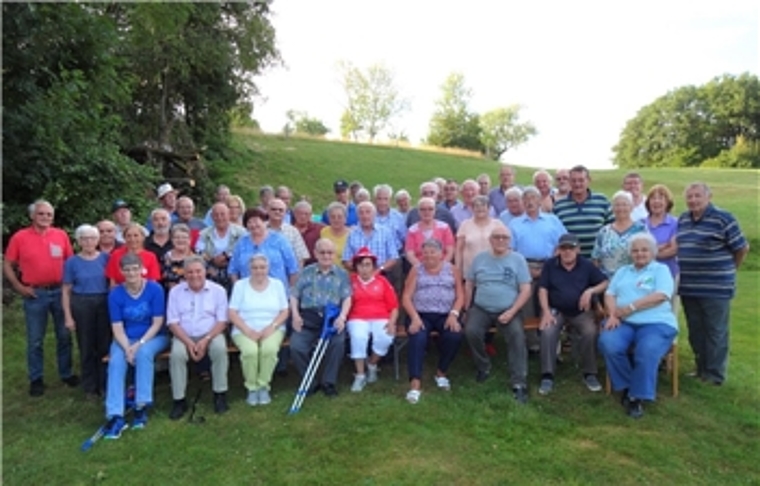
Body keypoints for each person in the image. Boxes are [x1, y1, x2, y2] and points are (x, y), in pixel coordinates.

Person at [598, 233, 679, 419]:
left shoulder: (660, 270)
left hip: (656, 323)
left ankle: (636, 397)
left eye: (644, 250)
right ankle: (628, 386)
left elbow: (661, 295)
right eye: (635, 250)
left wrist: (630, 308)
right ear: (630, 254)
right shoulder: (623, 271)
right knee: (608, 343)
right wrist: (611, 315)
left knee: (647, 350)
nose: (639, 254)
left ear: (652, 252)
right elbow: (610, 294)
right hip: (622, 322)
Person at [676, 182, 749, 385]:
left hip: (716, 287)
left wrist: (730, 269)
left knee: (715, 331)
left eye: (697, 196)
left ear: (709, 197)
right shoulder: (683, 219)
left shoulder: (723, 218)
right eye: (689, 197)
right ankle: (701, 369)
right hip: (689, 287)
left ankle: (715, 375)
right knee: (696, 331)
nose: (693, 200)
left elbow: (742, 248)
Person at [4, 200, 78, 396]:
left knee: (64, 335)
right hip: (35, 293)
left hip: (59, 291)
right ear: (32, 216)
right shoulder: (20, 237)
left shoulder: (61, 235)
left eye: (49, 214)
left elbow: (70, 262)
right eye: (41, 214)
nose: (45, 217)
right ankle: (36, 378)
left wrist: (70, 288)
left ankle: (66, 373)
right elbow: (7, 263)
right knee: (35, 339)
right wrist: (19, 286)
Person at [102, 253, 169, 439]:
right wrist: (126, 348)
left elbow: (157, 322)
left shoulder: (155, 289)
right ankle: (115, 414)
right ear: (122, 272)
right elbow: (117, 327)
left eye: (135, 269)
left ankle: (141, 405)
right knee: (116, 362)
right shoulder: (115, 294)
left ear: (142, 270)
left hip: (153, 336)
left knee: (144, 354)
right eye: (127, 270)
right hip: (125, 338)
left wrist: (139, 345)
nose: (131, 273)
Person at [463, 226, 532, 403]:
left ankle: (519, 382)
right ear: (490, 240)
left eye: (504, 238)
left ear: (509, 241)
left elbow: (525, 289)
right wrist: (466, 308)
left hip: (508, 308)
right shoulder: (479, 259)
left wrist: (512, 311)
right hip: (481, 307)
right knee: (471, 331)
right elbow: (469, 283)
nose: (501, 240)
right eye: (497, 237)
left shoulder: (518, 260)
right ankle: (483, 366)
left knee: (517, 335)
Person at [537, 234, 609, 395]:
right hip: (556, 309)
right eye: (563, 248)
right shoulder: (550, 265)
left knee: (590, 331)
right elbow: (543, 289)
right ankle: (547, 374)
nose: (567, 251)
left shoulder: (586, 265)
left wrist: (590, 291)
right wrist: (546, 312)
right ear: (558, 250)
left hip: (581, 311)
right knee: (547, 332)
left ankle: (590, 372)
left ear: (578, 249)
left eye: (571, 248)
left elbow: (604, 282)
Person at [401, 239, 464, 404]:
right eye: (425, 253)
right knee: (418, 336)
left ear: (441, 254)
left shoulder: (452, 269)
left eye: (433, 252)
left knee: (454, 335)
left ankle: (441, 372)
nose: (428, 256)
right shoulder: (416, 269)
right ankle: (415, 383)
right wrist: (414, 317)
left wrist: (454, 314)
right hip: (420, 313)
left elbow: (460, 295)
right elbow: (406, 297)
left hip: (445, 314)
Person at [167, 256, 230, 418]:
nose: (194, 275)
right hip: (183, 335)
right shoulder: (175, 292)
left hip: (211, 333)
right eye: (190, 272)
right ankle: (179, 400)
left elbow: (222, 321)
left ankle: (220, 394)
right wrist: (188, 343)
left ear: (205, 272)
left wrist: (206, 340)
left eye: (198, 271)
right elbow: (173, 322)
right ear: (184, 274)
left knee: (219, 349)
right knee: (177, 355)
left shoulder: (218, 291)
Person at [289, 239, 352, 397]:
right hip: (308, 317)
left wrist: (342, 317)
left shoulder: (342, 274)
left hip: (331, 318)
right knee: (297, 346)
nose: (326, 256)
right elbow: (294, 295)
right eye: (322, 252)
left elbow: (347, 298)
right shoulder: (306, 271)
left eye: (329, 252)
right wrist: (295, 316)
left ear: (334, 254)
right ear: (315, 254)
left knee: (337, 343)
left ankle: (328, 383)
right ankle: (309, 381)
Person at [508, 186, 566, 352]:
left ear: (540, 201)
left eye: (533, 198)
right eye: (526, 199)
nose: (530, 201)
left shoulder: (552, 220)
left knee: (550, 303)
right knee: (526, 306)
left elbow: (562, 244)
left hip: (550, 265)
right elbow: (511, 250)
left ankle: (553, 345)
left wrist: (551, 265)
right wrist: (527, 269)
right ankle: (533, 344)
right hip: (524, 266)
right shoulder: (515, 223)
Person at [228, 254, 289, 406]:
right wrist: (247, 330)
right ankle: (252, 388)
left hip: (273, 327)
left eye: (262, 267)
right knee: (250, 352)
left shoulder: (277, 284)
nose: (259, 271)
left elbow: (284, 311)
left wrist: (272, 327)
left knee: (269, 350)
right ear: (250, 269)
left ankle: (263, 386)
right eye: (255, 267)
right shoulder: (240, 285)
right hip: (244, 327)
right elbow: (232, 313)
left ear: (268, 268)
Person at [62, 224, 111, 400]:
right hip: (81, 303)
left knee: (104, 345)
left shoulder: (106, 258)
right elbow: (66, 290)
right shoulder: (72, 262)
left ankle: (105, 384)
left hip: (103, 302)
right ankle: (90, 387)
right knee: (86, 345)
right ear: (78, 241)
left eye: (92, 238)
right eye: (84, 238)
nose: (89, 241)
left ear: (98, 240)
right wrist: (68, 316)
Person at [346, 247, 398, 392]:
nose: (364, 269)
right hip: (357, 317)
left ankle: (372, 364)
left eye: (368, 264)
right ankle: (360, 375)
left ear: (374, 266)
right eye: (361, 265)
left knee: (386, 337)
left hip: (381, 316)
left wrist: (392, 322)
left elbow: (394, 306)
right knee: (358, 337)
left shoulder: (382, 281)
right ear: (356, 267)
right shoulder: (350, 281)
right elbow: (344, 301)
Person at [227, 208, 299, 288]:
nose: (253, 225)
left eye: (255, 221)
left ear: (265, 222)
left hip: (276, 292)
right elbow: (233, 270)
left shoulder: (280, 240)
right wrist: (238, 290)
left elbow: (293, 269)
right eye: (249, 222)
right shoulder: (242, 242)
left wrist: (291, 293)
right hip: (248, 292)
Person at [553, 165, 613, 258]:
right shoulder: (559, 205)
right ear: (569, 182)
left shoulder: (602, 200)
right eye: (574, 180)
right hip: (570, 261)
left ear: (588, 180)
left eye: (581, 180)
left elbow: (612, 228)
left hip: (597, 260)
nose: (577, 184)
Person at [591, 191, 648, 278]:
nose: (621, 208)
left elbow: (648, 256)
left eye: (624, 204)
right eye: (617, 205)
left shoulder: (641, 230)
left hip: (633, 280)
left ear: (631, 207)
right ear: (612, 208)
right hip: (607, 283)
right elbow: (596, 258)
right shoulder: (604, 231)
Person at [195, 202, 247, 292]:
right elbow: (198, 252)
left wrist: (227, 257)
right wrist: (212, 260)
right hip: (211, 272)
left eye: (222, 214)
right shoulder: (204, 233)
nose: (219, 218)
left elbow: (245, 251)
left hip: (235, 272)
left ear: (229, 214)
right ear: (211, 217)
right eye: (216, 215)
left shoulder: (241, 233)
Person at [342, 201, 399, 276]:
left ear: (374, 214)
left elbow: (393, 257)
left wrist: (379, 269)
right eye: (361, 213)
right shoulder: (352, 234)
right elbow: (346, 260)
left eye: (368, 212)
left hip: (382, 273)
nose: (365, 216)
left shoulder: (385, 232)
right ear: (357, 216)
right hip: (358, 275)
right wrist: (361, 270)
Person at [455, 195, 507, 278]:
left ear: (489, 208)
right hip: (470, 271)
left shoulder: (498, 224)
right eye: (477, 206)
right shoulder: (465, 225)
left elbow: (505, 246)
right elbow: (459, 250)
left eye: (483, 206)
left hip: (493, 269)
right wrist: (458, 269)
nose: (480, 209)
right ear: (472, 208)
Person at [643, 184, 679, 279]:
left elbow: (673, 250)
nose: (656, 202)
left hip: (668, 273)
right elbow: (636, 250)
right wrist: (661, 247)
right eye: (653, 198)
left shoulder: (675, 223)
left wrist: (648, 253)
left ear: (667, 202)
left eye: (660, 198)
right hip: (644, 274)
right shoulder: (640, 224)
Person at [405, 197, 455, 265]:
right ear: (418, 211)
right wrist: (421, 267)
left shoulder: (444, 227)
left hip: (442, 266)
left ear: (435, 211)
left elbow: (450, 251)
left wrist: (442, 266)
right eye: (423, 209)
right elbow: (410, 254)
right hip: (420, 267)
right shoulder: (412, 230)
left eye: (430, 209)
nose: (427, 212)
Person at [267, 197, 310, 267]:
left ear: (285, 212)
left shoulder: (293, 231)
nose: (277, 212)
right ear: (267, 210)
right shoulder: (258, 229)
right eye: (273, 209)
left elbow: (301, 257)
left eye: (281, 210)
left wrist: (296, 276)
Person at [161, 224, 195, 292]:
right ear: (172, 240)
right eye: (177, 237)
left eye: (184, 237)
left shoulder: (197, 256)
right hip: (171, 295)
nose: (180, 240)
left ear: (190, 239)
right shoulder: (165, 257)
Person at [292, 200, 324, 266]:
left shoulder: (319, 228)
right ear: (294, 213)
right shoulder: (288, 230)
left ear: (311, 215)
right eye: (300, 213)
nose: (303, 216)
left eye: (306, 214)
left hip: (315, 266)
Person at [320, 202, 351, 266]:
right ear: (328, 219)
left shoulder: (351, 234)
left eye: (339, 217)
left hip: (346, 273)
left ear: (345, 219)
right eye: (333, 217)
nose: (336, 220)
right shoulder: (324, 232)